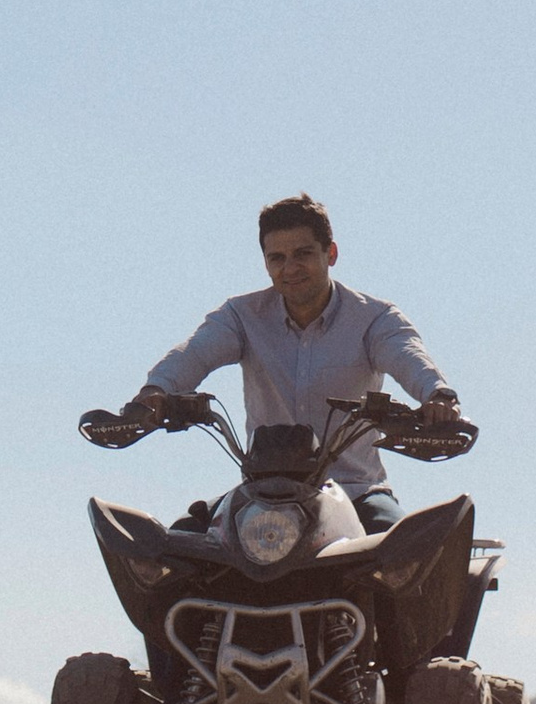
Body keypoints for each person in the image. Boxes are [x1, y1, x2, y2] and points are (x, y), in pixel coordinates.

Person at [131, 192, 463, 534]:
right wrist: (156, 391)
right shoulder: (242, 316)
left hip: (355, 493)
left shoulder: (374, 318)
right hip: (260, 496)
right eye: (277, 258)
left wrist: (437, 395)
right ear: (265, 263)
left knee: (401, 553)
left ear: (330, 254)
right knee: (172, 551)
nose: (290, 268)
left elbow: (406, 353)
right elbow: (195, 353)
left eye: (303, 254)